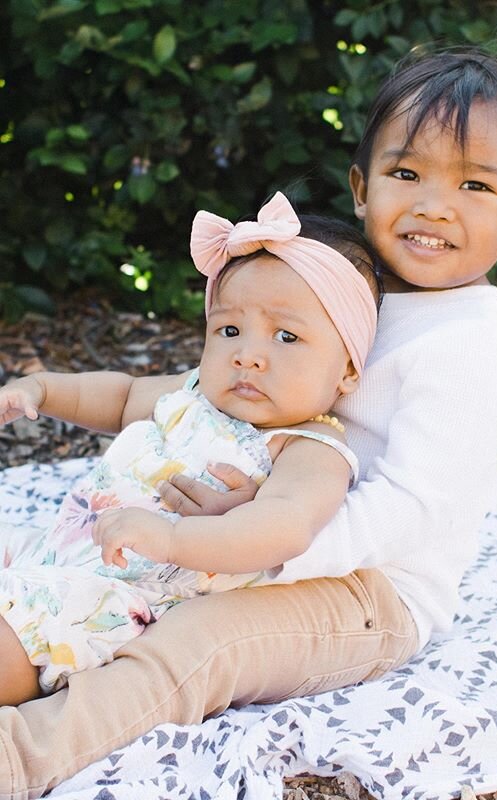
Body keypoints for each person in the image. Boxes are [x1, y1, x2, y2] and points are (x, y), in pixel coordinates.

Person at [0, 48, 497, 798]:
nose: (433, 205)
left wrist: (262, 543)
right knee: (61, 563)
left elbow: (410, 512)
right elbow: (190, 388)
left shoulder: (470, 349)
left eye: (475, 185)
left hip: (363, 588)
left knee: (198, 645)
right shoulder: (340, 283)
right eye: (407, 174)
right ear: (362, 188)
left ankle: (22, 753)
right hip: (238, 532)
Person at [0, 191, 381, 703]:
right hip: (60, 545)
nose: (248, 356)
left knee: (28, 630)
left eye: (286, 338)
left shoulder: (309, 447)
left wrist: (172, 538)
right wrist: (42, 390)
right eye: (229, 329)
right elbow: (121, 396)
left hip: (124, 597)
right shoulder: (194, 391)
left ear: (349, 368)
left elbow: (285, 527)